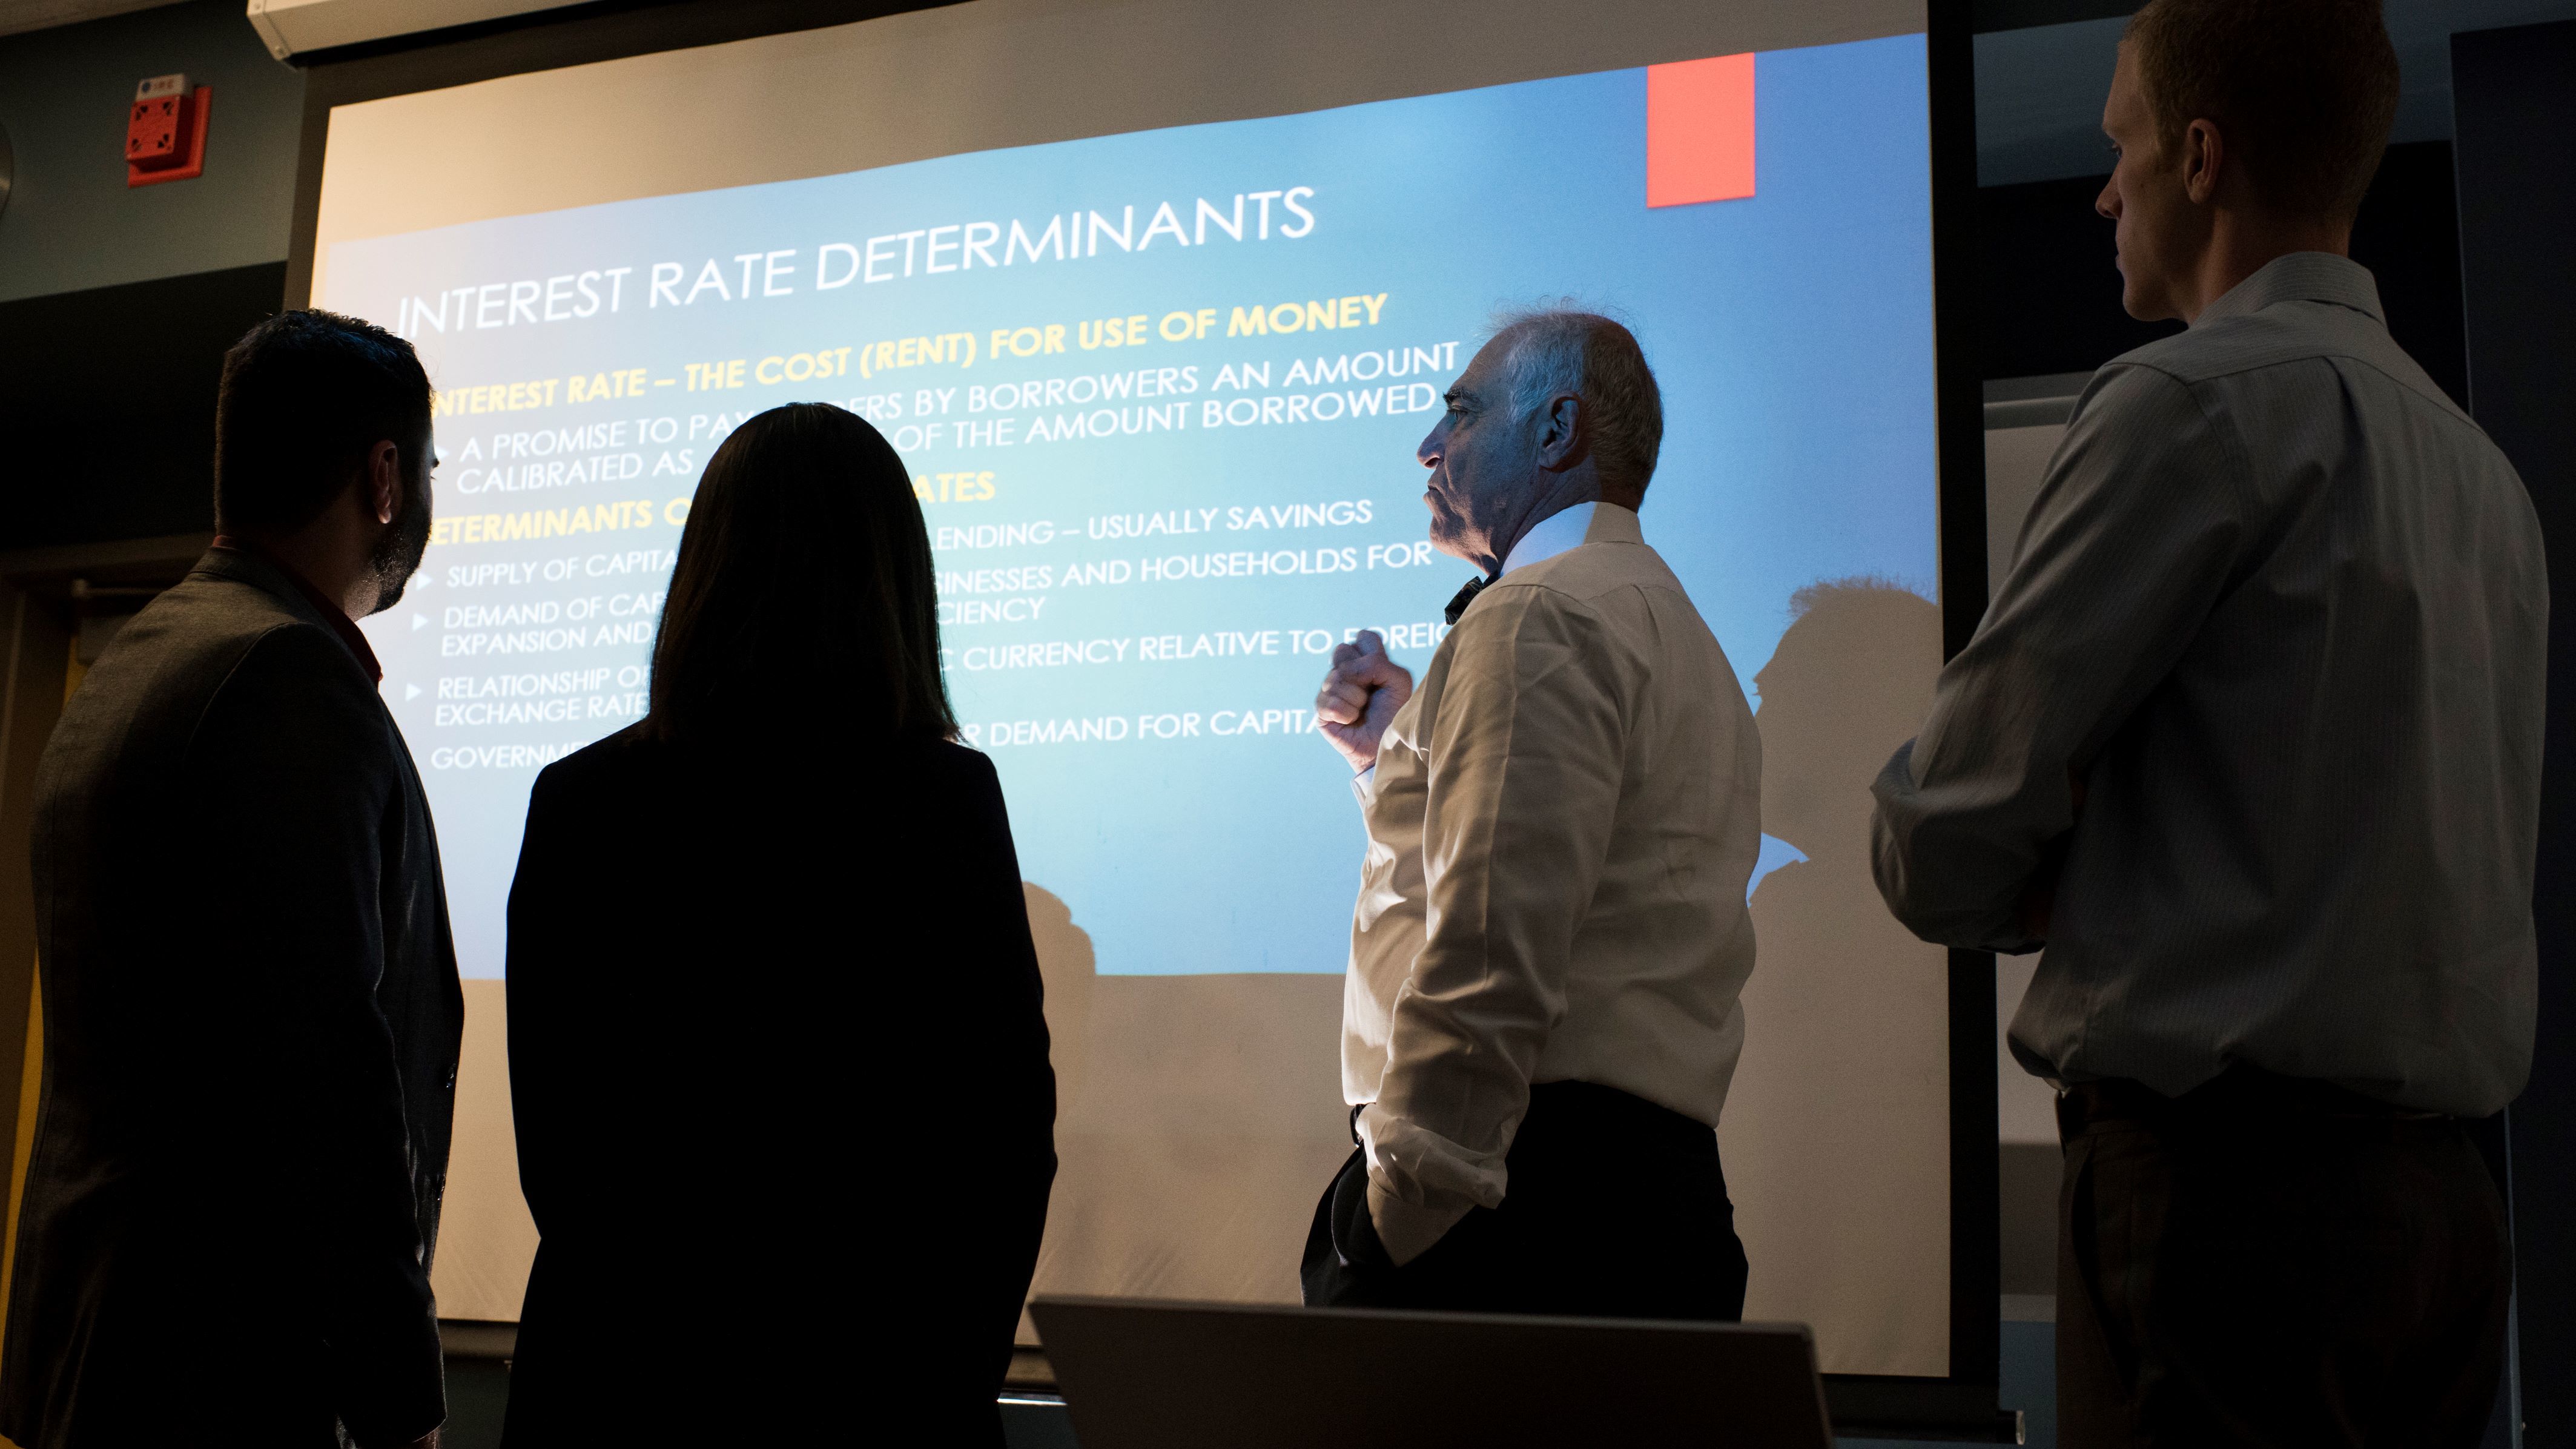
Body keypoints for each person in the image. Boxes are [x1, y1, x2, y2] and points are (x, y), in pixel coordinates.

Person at [1868, 1, 2541, 1443]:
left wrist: (2068, 866)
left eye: (2117, 147)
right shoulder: (2482, 472)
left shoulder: (2181, 406)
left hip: (2228, 1227)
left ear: (2197, 157)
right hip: (2444, 1217)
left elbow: (1947, 826)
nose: (2100, 190)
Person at [499, 403, 1055, 1445]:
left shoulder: (582, 799)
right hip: (878, 1391)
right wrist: (943, 1378)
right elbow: (1004, 1143)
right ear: (895, 575)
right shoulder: (943, 799)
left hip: (620, 1386)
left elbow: (563, 1156)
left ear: (702, 566)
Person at [2, 311, 460, 1448]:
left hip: (106, 1352)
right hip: (227, 1374)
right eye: (431, 469)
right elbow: (326, 1077)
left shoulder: (135, 663)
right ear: (386, 477)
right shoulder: (287, 677)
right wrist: (398, 1399)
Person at [1300, 309, 1760, 1318]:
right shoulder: (1667, 620)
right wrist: (1395, 758)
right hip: (1627, 1199)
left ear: (1556, 431)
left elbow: (1490, 952)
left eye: (1459, 414)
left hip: (1522, 1207)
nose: (1427, 446)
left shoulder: (1537, 612)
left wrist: (1393, 1219)